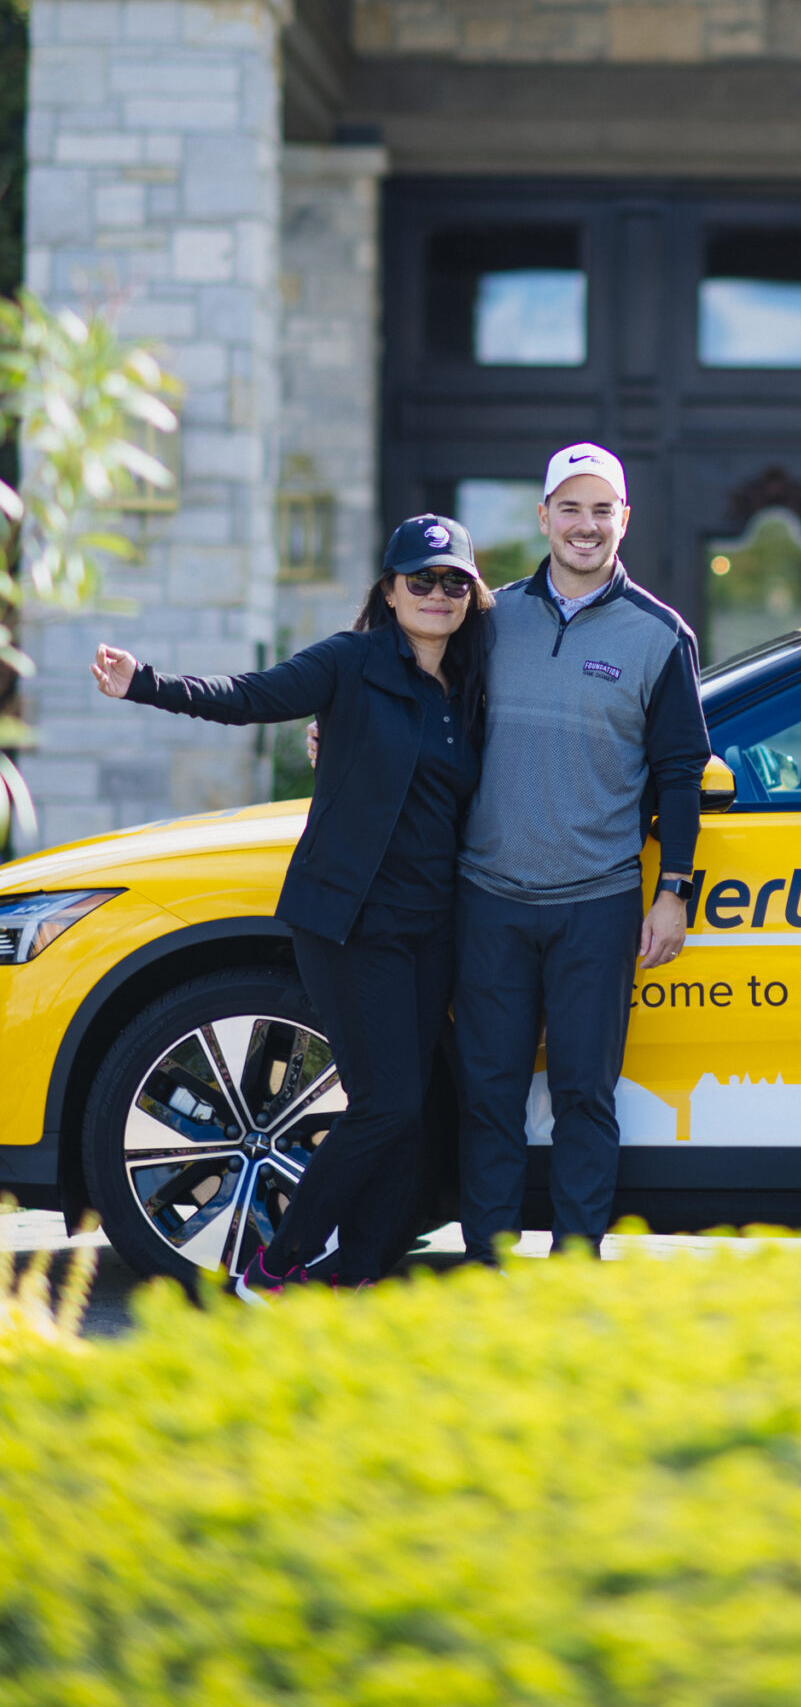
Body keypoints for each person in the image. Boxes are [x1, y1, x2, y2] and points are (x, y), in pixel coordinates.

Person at [91, 513, 492, 1298]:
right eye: (421, 579)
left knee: (409, 1110)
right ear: (389, 590)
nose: (438, 594)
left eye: (455, 581)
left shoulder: (472, 684)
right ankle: (275, 1265)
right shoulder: (350, 662)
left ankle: (357, 1270)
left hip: (433, 923)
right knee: (386, 1103)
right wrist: (145, 682)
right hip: (351, 920)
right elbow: (247, 697)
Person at [454, 440, 709, 1260]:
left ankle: (574, 1261)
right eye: (571, 508)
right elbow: (416, 702)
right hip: (489, 897)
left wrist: (673, 891)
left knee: (584, 1097)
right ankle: (487, 1260)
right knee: (489, 1095)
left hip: (596, 904)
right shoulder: (487, 619)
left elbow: (680, 774)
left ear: (624, 519)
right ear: (544, 517)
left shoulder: (660, 635)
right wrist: (333, 731)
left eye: (602, 509)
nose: (586, 525)